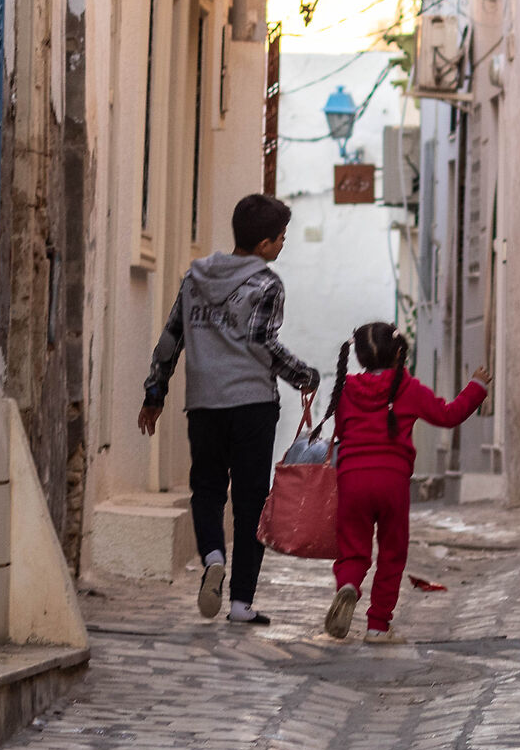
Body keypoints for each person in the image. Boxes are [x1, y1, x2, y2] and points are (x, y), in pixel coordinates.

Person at [139, 192, 321, 625]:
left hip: (204, 403)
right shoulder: (266, 283)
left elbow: (171, 338)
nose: (282, 246)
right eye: (281, 238)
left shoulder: (193, 278)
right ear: (263, 245)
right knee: (250, 500)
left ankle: (213, 558)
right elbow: (261, 342)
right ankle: (241, 603)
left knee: (205, 489)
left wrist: (154, 393)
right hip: (253, 404)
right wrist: (303, 375)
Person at [320, 323, 488, 642]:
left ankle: (348, 585)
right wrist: (476, 387)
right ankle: (377, 626)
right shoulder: (408, 389)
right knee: (392, 553)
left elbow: (341, 430)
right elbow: (448, 415)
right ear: (399, 354)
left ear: (358, 357)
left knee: (353, 549)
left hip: (352, 479)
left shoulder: (345, 389)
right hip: (392, 481)